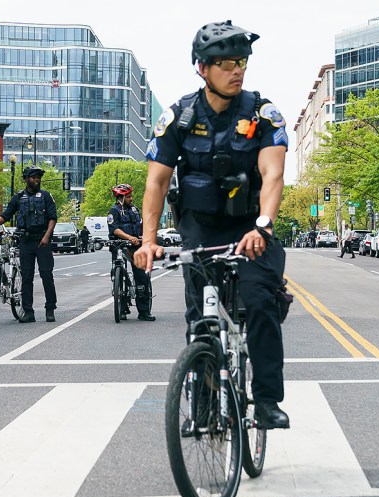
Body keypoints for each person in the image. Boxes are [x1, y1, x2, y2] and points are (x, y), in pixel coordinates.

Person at [134, 20, 290, 429]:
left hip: (251, 231)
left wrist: (264, 226)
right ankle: (202, 402)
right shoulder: (179, 118)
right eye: (225, 63)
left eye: (241, 62)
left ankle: (269, 401)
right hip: (200, 230)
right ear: (202, 68)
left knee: (259, 303)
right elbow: (157, 180)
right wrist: (148, 241)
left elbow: (273, 176)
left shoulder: (262, 114)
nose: (236, 70)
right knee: (201, 320)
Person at [0, 166, 58, 323]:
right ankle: (28, 312)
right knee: (27, 277)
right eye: (34, 177)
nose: (37, 179)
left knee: (46, 275)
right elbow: (5, 216)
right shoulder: (18, 198)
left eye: (38, 177)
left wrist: (47, 236)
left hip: (43, 241)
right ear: (26, 179)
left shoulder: (46, 196)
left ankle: (50, 309)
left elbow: (53, 218)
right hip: (26, 241)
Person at [107, 184, 155, 321]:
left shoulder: (135, 210)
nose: (131, 199)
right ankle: (122, 308)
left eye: (130, 196)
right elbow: (114, 229)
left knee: (142, 277)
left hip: (136, 246)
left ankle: (144, 312)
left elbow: (141, 226)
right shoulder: (114, 211)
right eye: (128, 197)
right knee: (118, 274)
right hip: (120, 245)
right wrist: (129, 238)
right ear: (120, 198)